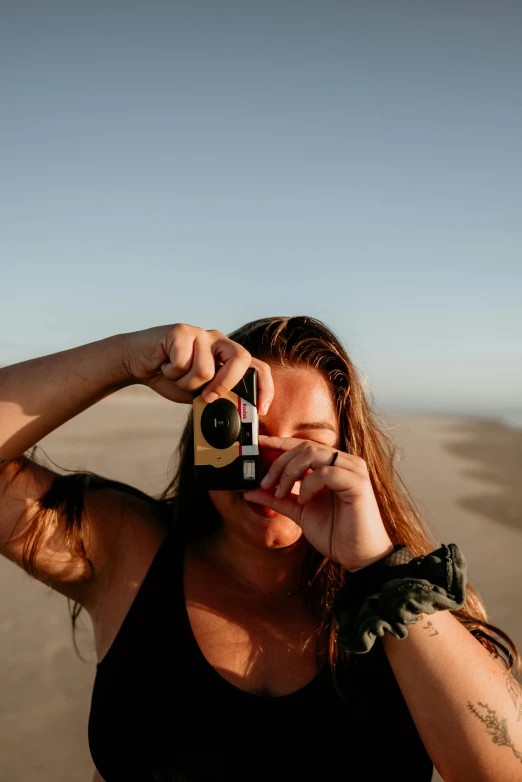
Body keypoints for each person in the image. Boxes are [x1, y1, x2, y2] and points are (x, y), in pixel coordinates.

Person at [0, 316, 520, 782]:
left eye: (308, 444)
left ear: (348, 455)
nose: (277, 469)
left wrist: (376, 567)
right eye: (251, 436)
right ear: (208, 436)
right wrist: (123, 359)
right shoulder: (126, 549)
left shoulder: (412, 602)